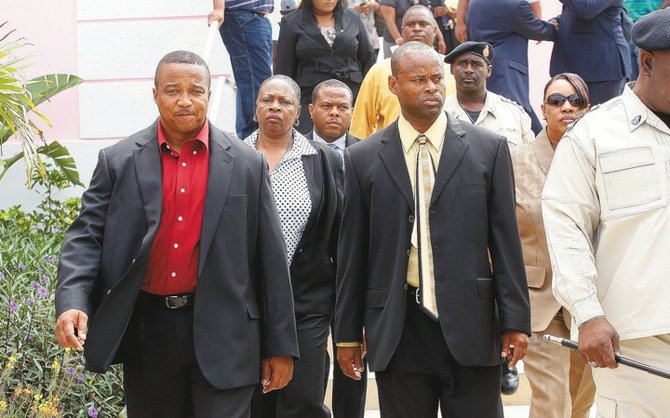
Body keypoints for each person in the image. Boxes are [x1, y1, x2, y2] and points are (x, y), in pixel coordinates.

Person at [54, 51, 299, 418]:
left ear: (208, 95)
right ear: (155, 94)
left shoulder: (246, 164)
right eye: (172, 90)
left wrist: (280, 345)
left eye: (195, 90)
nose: (185, 100)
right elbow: (86, 237)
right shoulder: (119, 160)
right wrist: (72, 299)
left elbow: (270, 258)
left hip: (227, 329)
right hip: (149, 332)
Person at [335, 41, 530, 417]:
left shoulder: (488, 149)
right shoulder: (362, 159)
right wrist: (346, 334)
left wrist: (516, 321)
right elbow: (353, 252)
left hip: (471, 324)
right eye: (418, 79)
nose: (432, 87)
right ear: (393, 85)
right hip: (398, 327)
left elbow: (506, 243)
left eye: (438, 78)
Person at [542, 9, 670, 416]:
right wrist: (588, 314)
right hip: (634, 341)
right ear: (647, 61)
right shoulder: (595, 134)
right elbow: (566, 228)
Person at [244, 75, 343, 418]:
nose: (275, 106)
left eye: (285, 101)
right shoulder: (234, 157)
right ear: (255, 107)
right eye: (266, 99)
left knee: (303, 400)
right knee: (253, 401)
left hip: (307, 303)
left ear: (299, 112)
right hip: (248, 304)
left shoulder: (323, 159)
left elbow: (337, 233)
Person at [510, 73, 595, 418]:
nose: (567, 107)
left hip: (589, 302)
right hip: (538, 300)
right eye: (558, 101)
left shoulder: (599, 160)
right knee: (553, 400)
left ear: (587, 109)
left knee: (581, 401)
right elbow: (498, 236)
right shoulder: (516, 160)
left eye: (576, 101)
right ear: (543, 109)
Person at [304, 79, 367, 418]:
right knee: (311, 365)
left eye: (342, 107)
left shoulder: (367, 153)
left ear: (352, 112)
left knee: (353, 360)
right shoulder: (294, 151)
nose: (334, 113)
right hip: (310, 275)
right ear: (311, 109)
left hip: (355, 273)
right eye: (326, 106)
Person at [350, 5, 456, 138]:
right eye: (411, 24)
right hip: (392, 152)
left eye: (423, 24)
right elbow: (360, 126)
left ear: (435, 30)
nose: (417, 28)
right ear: (402, 31)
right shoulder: (379, 71)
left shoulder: (451, 69)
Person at [274, 0, 375, 135]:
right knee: (310, 147)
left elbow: (368, 59)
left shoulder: (352, 18)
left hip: (351, 98)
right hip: (309, 100)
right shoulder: (291, 22)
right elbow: (284, 70)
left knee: (353, 146)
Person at [464, 0, 556, 134]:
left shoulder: (475, 2)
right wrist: (557, 25)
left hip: (485, 70)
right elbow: (540, 31)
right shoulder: (516, 5)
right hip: (508, 76)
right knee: (526, 125)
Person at [444, 41, 533, 147]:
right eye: (462, 63)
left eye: (476, 64)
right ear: (451, 69)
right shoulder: (439, 112)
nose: (468, 70)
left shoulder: (513, 113)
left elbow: (530, 158)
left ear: (489, 71)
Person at [208, 0, 274, 139]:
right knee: (256, 82)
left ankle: (250, 136)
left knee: (254, 80)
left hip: (257, 16)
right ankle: (253, 138)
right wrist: (219, 8)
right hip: (243, 14)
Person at [549, 0, 631, 105]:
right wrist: (558, 20)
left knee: (601, 119)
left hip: (602, 71)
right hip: (579, 66)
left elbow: (585, 9)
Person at [378, 0, 447, 58]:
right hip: (394, 40)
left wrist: (440, 38)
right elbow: (389, 20)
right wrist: (399, 39)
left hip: (420, 41)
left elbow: (429, 18)